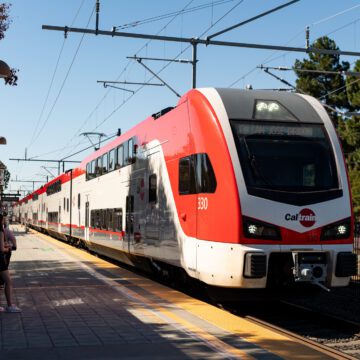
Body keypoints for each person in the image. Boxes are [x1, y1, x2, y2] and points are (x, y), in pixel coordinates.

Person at [0, 213, 21, 313]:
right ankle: (9, 306)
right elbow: (1, 249)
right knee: (8, 282)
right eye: (3, 220)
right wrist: (7, 248)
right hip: (0, 261)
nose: (4, 221)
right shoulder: (1, 231)